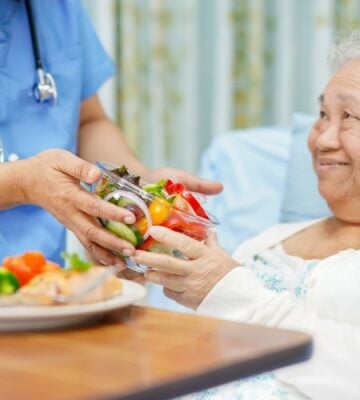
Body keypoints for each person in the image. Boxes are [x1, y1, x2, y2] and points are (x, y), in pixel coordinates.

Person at [130, 31, 360, 400]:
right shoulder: (273, 237)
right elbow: (194, 341)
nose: (321, 139)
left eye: (348, 116)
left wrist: (226, 291)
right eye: (322, 115)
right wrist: (141, 262)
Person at [0, 0, 222, 266]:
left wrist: (140, 188)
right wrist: (22, 183)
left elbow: (89, 123)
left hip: (40, 278)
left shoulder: (59, 8)